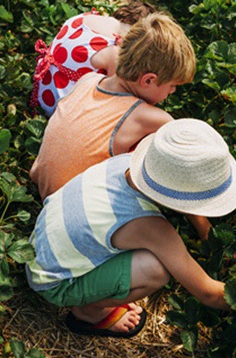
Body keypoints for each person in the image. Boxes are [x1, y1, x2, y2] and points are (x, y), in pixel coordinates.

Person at [25, 118, 236, 338]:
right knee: (156, 270)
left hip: (40, 246)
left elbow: (180, 191)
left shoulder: (126, 163)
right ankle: (89, 310)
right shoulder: (150, 229)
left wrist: (206, 233)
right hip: (55, 282)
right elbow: (208, 293)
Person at [29, 12, 211, 240]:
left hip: (42, 185)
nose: (172, 93)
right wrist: (204, 227)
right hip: (73, 217)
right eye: (172, 87)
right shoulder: (153, 119)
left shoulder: (88, 81)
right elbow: (178, 170)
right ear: (148, 80)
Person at [30, 2, 156, 117]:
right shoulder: (114, 51)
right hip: (60, 109)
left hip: (40, 88)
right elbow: (115, 98)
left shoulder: (84, 18)